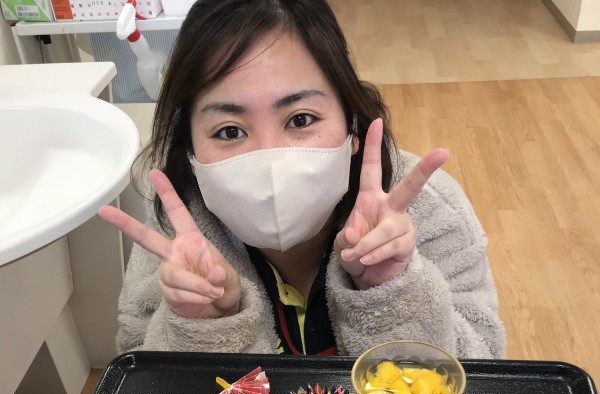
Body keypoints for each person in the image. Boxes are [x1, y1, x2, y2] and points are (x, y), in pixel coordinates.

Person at [100, 0, 506, 359]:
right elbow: (138, 371)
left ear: (352, 124)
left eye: (301, 120)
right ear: (190, 152)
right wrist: (203, 329)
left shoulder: (429, 208)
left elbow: (482, 372)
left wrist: (395, 292)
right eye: (230, 131)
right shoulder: (176, 229)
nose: (270, 158)